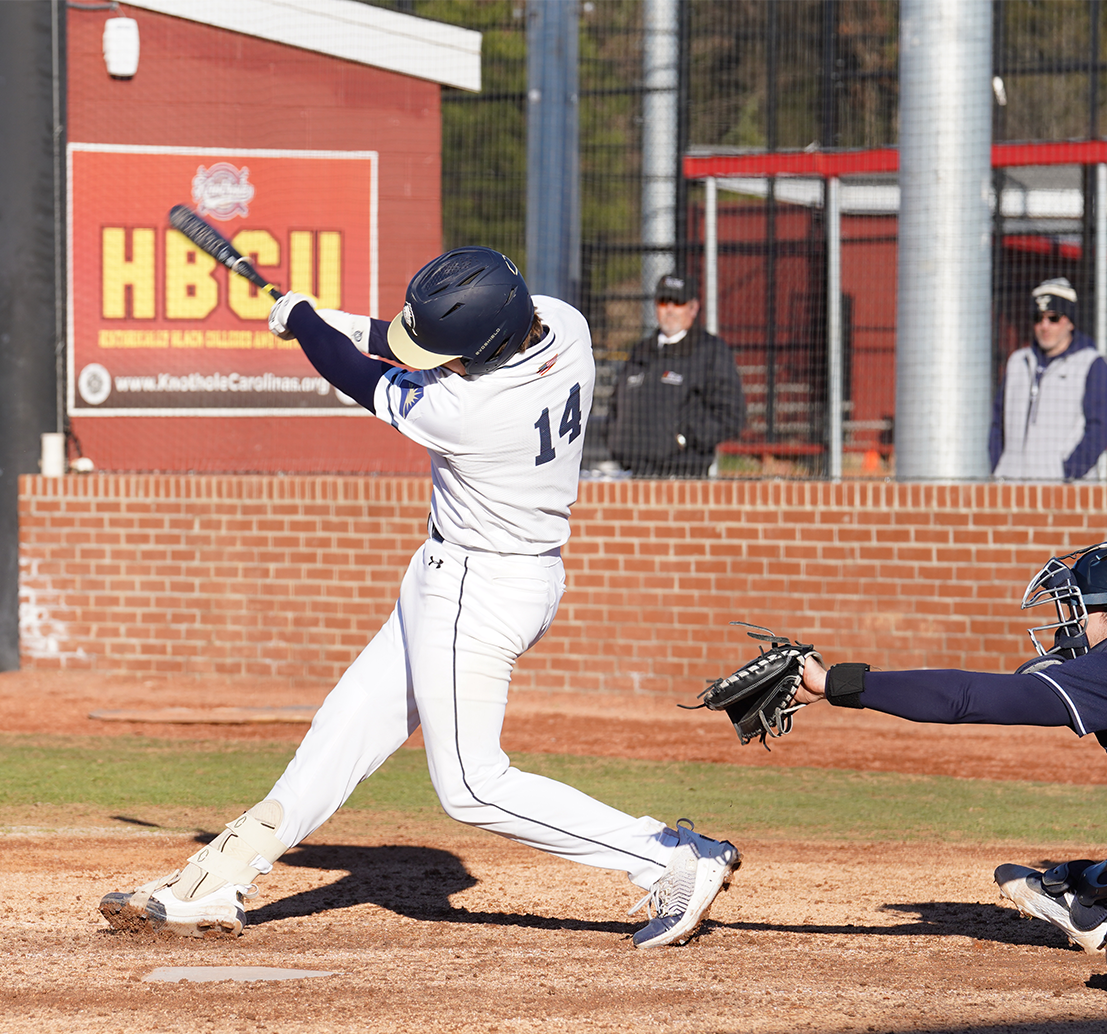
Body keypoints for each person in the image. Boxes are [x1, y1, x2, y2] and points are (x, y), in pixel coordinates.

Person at [98, 248, 742, 948]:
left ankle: (670, 857)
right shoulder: (563, 323)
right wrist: (320, 315)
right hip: (481, 574)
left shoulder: (466, 411)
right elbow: (407, 341)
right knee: (344, 729)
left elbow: (358, 373)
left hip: (479, 586)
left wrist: (310, 326)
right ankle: (220, 877)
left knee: (471, 784)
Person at [789, 541, 1107, 997]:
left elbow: (965, 698)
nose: (1069, 626)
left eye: (1081, 610)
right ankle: (1093, 900)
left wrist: (833, 683)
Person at [603, 274, 744, 477]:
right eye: (663, 301)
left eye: (677, 302)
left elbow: (731, 414)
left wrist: (684, 439)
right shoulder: (642, 351)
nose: (669, 309)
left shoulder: (710, 351)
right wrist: (616, 439)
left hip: (683, 477)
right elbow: (615, 405)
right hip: (636, 474)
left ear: (693, 308)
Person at [990, 278, 1107, 481]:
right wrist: (1001, 466)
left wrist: (1067, 473)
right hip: (1011, 490)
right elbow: (998, 422)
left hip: (1063, 492)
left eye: (1054, 318)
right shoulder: (1017, 362)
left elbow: (1102, 428)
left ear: (1070, 321)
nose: (1044, 326)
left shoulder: (1091, 364)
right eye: (1038, 318)